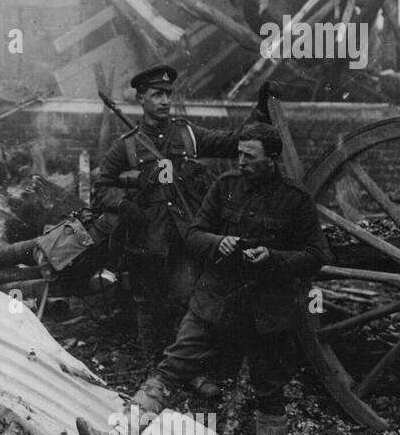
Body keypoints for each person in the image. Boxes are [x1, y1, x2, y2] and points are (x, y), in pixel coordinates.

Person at [96, 122, 330, 435]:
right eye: (239, 154)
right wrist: (215, 243)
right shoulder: (224, 186)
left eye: (250, 157)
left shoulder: (295, 200)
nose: (241, 162)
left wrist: (273, 258)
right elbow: (193, 235)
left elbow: (316, 254)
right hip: (216, 300)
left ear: (271, 160)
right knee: (172, 366)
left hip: (266, 310)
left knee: (269, 392)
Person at [93, 65, 272, 376]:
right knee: (148, 305)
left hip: (186, 237)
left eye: (167, 95)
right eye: (156, 94)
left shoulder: (187, 134)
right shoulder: (128, 145)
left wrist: (259, 109)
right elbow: (101, 187)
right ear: (141, 100)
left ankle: (189, 371)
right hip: (146, 240)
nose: (164, 101)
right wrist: (124, 205)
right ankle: (154, 372)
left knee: (188, 303)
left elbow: (232, 142)